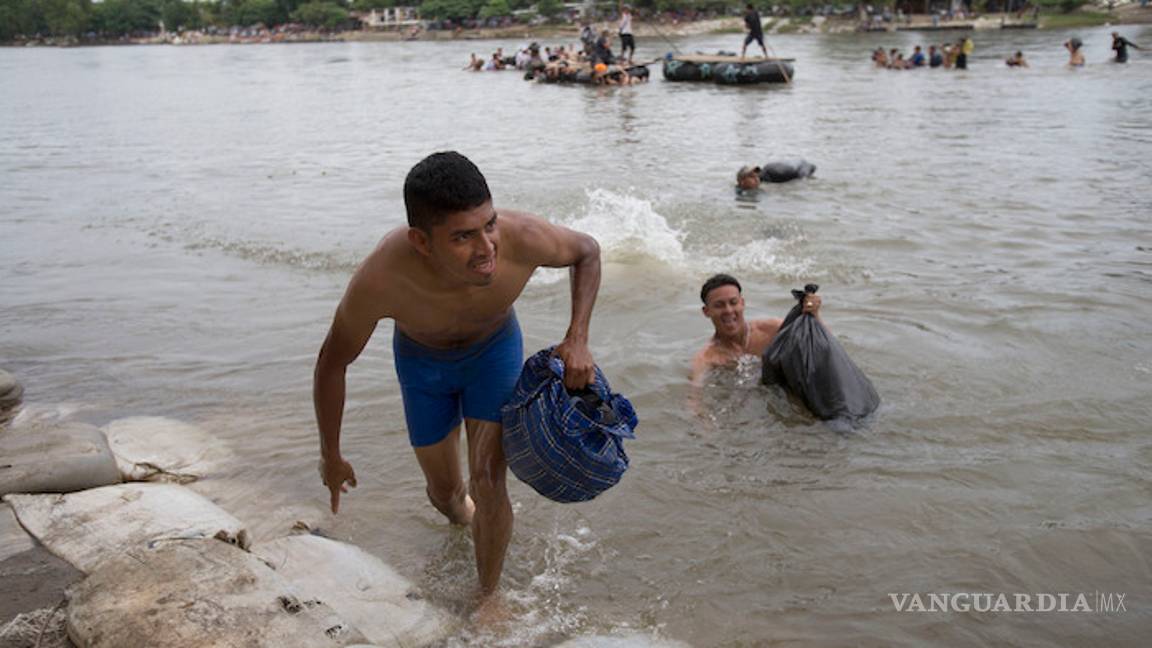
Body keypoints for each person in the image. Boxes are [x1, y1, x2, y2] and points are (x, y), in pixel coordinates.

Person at [314, 151, 601, 617]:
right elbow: (332, 362)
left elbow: (587, 250)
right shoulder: (384, 277)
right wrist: (331, 454)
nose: (487, 247)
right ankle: (468, 520)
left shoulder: (521, 237)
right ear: (421, 242)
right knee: (445, 495)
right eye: (463, 237)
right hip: (422, 364)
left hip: (493, 351)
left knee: (489, 479)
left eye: (488, 224)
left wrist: (578, 338)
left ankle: (488, 595)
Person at [690, 274, 821, 383]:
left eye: (733, 302)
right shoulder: (707, 359)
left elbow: (821, 345)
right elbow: (695, 398)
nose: (728, 310)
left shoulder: (772, 330)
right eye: (719, 305)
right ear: (706, 311)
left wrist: (814, 314)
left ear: (742, 303)